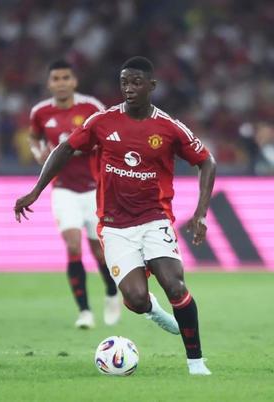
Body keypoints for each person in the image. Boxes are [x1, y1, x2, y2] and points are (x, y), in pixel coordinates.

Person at [14, 56, 216, 375]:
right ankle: (150, 308)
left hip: (155, 220)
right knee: (135, 299)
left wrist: (201, 213)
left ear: (152, 86)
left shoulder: (168, 127)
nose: (129, 88)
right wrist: (36, 190)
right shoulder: (102, 121)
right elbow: (64, 149)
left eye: (136, 82)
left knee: (175, 286)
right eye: (124, 83)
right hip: (115, 226)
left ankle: (196, 363)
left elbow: (207, 161)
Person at [29, 59, 120, 329]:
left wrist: (88, 148)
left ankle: (112, 292)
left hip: (94, 190)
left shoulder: (91, 107)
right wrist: (38, 153)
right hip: (63, 189)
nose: (61, 83)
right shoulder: (40, 112)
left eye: (65, 78)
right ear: (49, 83)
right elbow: (34, 137)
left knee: (100, 253)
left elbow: (110, 136)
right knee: (73, 246)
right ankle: (85, 312)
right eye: (55, 79)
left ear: (74, 81)